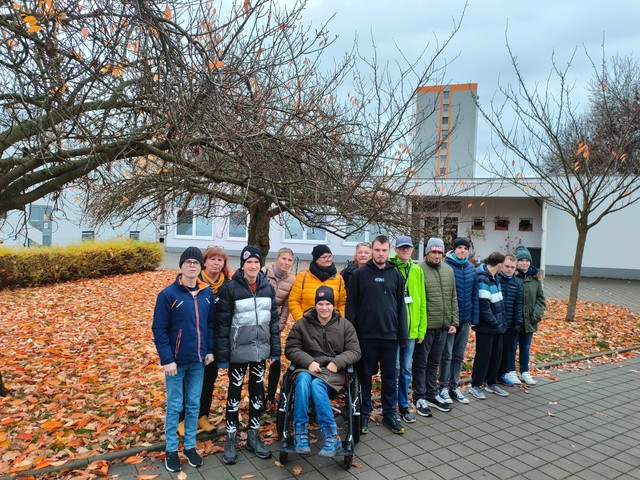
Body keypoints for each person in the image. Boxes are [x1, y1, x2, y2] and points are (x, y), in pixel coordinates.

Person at [215, 246, 280, 465]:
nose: (252, 266)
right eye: (248, 262)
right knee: (234, 395)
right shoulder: (229, 288)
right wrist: (223, 356)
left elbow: (273, 321)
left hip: (260, 352)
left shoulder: (267, 288)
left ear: (261, 265)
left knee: (257, 394)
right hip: (237, 353)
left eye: (256, 262)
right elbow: (222, 325)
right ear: (242, 265)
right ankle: (231, 438)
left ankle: (253, 435)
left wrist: (275, 350)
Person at [152, 246, 215, 472]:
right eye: (188, 262)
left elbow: (210, 324)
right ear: (181, 265)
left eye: (196, 263)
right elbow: (159, 329)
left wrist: (209, 349)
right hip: (175, 363)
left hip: (198, 361)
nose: (192, 266)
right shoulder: (168, 295)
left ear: (200, 267)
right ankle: (171, 449)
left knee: (193, 405)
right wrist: (167, 359)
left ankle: (189, 447)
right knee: (174, 406)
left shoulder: (206, 293)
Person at [285, 286, 362, 456]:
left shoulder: (345, 325)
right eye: (320, 304)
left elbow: (355, 351)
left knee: (317, 385)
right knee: (303, 380)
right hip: (307, 367)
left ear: (333, 305)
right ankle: (300, 433)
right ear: (315, 305)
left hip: (332, 371)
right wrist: (308, 362)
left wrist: (337, 362)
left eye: (328, 304)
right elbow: (291, 348)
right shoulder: (302, 324)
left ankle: (331, 437)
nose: (324, 308)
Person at [346, 235, 408, 435]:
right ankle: (364, 413)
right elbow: (351, 307)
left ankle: (389, 413)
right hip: (365, 336)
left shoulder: (395, 275)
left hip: (390, 336)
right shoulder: (359, 274)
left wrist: (403, 335)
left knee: (390, 377)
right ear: (372, 250)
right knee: (365, 376)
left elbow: (401, 308)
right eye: (377, 250)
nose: (381, 254)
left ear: (389, 251)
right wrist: (350, 337)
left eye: (384, 250)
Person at [177, 246, 232, 436]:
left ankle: (202, 415)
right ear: (204, 262)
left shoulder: (227, 285)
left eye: (220, 260)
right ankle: (182, 418)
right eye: (212, 259)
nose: (216, 263)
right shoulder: (194, 282)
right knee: (188, 380)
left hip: (216, 339)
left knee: (209, 379)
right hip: (193, 339)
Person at [413, 237, 458, 416]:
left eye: (440, 252)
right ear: (427, 253)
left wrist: (453, 321)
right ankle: (419, 395)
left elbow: (453, 296)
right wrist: (418, 327)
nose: (437, 255)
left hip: (443, 326)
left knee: (434, 363)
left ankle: (431, 393)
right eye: (434, 252)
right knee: (420, 363)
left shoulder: (448, 270)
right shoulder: (418, 270)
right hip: (426, 327)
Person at [388, 235, 426, 423]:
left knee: (406, 369)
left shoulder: (417, 270)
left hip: (411, 330)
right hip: (394, 331)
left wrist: (421, 329)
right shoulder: (389, 268)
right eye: (401, 247)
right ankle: (390, 405)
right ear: (395, 249)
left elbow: (422, 301)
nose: (405, 250)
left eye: (408, 248)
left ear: (412, 250)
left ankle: (403, 404)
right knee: (392, 369)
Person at [440, 237, 478, 404]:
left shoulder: (471, 269)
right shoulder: (446, 267)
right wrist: (448, 320)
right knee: (446, 355)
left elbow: (474, 295)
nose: (462, 250)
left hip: (465, 320)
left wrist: (474, 317)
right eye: (460, 248)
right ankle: (443, 387)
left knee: (458, 355)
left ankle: (453, 386)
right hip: (450, 321)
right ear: (454, 250)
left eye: (465, 248)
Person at [469, 252, 509, 400]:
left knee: (496, 356)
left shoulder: (495, 278)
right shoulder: (482, 278)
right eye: (504, 265)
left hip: (497, 326)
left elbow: (499, 303)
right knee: (483, 357)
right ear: (499, 264)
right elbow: (484, 307)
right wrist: (495, 323)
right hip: (486, 327)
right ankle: (475, 385)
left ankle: (491, 383)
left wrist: (501, 323)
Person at [262, 247, 297, 408]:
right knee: (259, 361)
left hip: (275, 324)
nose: (286, 262)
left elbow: (287, 307)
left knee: (275, 360)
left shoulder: (292, 280)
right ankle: (258, 395)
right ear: (277, 258)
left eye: (289, 260)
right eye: (284, 258)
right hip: (259, 321)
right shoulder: (264, 272)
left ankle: (271, 395)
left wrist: (279, 326)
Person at [512, 246, 547, 385]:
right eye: (521, 260)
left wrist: (536, 314)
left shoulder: (535, 280)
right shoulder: (513, 278)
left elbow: (540, 299)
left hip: (530, 320)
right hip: (515, 320)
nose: (524, 263)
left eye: (527, 260)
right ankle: (510, 371)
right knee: (512, 346)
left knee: (525, 347)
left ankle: (524, 371)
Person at [289, 245, 347, 320]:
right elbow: (293, 301)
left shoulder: (339, 279)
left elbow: (342, 304)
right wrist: (301, 321)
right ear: (316, 259)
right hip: (307, 323)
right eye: (324, 257)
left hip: (331, 324)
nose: (328, 259)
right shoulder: (303, 277)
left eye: (330, 256)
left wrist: (338, 321)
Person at [497, 254, 523, 386]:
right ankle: (488, 375)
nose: (509, 269)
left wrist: (517, 323)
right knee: (493, 351)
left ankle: (501, 374)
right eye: (507, 266)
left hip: (509, 323)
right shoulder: (496, 279)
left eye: (512, 267)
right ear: (502, 265)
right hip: (496, 322)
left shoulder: (516, 283)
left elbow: (518, 305)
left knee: (505, 352)